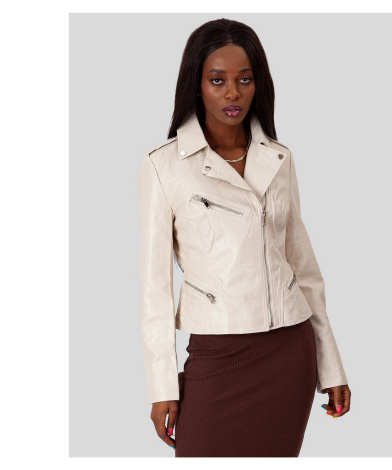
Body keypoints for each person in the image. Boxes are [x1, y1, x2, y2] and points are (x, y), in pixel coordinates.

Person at [138, 18, 351, 457]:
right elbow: (155, 289)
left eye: (245, 79)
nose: (232, 93)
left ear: (259, 84)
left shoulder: (279, 158)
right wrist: (162, 387)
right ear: (197, 85)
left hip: (289, 352)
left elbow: (305, 271)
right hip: (216, 354)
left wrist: (331, 367)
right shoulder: (164, 166)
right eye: (217, 80)